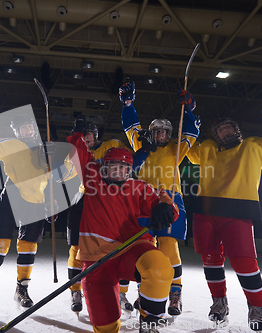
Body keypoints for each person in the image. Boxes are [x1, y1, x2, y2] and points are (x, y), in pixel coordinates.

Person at [186, 104, 262, 331]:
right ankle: (219, 303)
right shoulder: (207, 148)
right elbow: (186, 152)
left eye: (229, 128)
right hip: (205, 211)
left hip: (238, 211)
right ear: (216, 135)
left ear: (237, 130)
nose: (225, 132)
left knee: (244, 263)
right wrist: (189, 121)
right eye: (220, 130)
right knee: (210, 262)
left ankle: (256, 308)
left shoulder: (252, 146)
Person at [67, 130, 180, 333]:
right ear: (104, 168)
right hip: (96, 260)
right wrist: (79, 133)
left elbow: (164, 202)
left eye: (124, 167)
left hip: (132, 249)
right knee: (106, 327)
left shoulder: (138, 187)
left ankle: (150, 323)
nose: (119, 172)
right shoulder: (92, 179)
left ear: (129, 170)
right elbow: (78, 149)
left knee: (160, 267)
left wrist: (166, 207)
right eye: (113, 167)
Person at [0, 106, 68, 315]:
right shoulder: (12, 145)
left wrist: (53, 198)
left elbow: (58, 178)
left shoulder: (46, 149)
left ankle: (22, 289)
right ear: (17, 132)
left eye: (30, 128)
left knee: (28, 247)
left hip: (36, 202)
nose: (28, 132)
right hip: (12, 196)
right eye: (23, 129)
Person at [120, 82, 200, 316]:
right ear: (152, 132)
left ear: (170, 133)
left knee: (168, 245)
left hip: (171, 200)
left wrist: (191, 108)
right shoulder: (141, 145)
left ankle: (175, 293)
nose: (161, 135)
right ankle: (143, 290)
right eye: (157, 131)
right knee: (142, 246)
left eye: (165, 132)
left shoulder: (177, 148)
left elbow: (192, 131)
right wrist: (128, 104)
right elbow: (130, 124)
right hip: (143, 200)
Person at [66, 116, 136, 314]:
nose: (87, 138)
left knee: (119, 247)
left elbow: (128, 162)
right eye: (84, 135)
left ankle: (121, 292)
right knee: (76, 248)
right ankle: (75, 290)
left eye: (89, 134)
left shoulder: (111, 146)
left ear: (95, 136)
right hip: (82, 200)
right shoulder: (78, 150)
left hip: (106, 201)